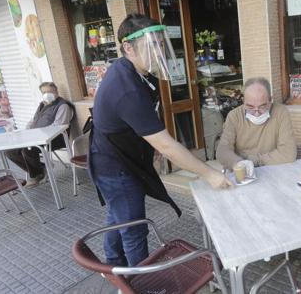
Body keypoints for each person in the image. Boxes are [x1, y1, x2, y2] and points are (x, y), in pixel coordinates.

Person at [89, 14, 231, 267]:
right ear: (128, 48)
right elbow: (166, 145)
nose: (159, 51)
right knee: (133, 227)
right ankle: (141, 282)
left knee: (117, 215)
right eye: (151, 45)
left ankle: (112, 264)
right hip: (116, 167)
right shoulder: (127, 88)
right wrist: (209, 174)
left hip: (117, 157)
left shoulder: (136, 73)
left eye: (161, 44)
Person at [216, 77, 297, 178]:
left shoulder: (281, 113)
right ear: (243, 101)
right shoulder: (234, 116)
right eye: (250, 107)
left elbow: (288, 153)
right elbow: (222, 150)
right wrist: (239, 163)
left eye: (262, 106)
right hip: (242, 172)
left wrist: (253, 161)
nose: (256, 113)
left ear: (270, 100)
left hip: (272, 169)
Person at [6, 82, 74, 187]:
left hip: (54, 139)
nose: (47, 94)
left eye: (50, 92)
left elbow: (58, 126)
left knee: (28, 149)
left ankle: (36, 175)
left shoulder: (63, 106)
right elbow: (33, 121)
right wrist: (26, 132)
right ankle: (39, 168)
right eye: (44, 92)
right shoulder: (42, 105)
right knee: (10, 151)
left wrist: (37, 135)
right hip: (36, 137)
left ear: (56, 92)